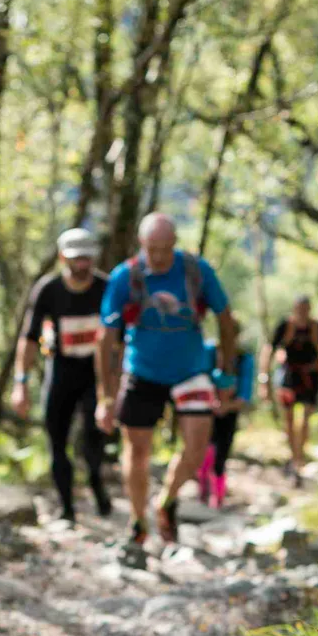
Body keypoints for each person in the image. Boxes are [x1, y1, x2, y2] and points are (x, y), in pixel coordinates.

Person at [95, 212, 238, 548]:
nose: (158, 257)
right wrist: (105, 396)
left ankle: (167, 499)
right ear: (142, 245)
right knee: (138, 449)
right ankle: (137, 519)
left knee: (197, 447)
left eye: (164, 249)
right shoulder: (125, 276)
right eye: (151, 249)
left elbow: (226, 319)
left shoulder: (195, 271)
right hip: (142, 371)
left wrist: (227, 373)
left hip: (191, 370)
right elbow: (106, 338)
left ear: (174, 244)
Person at [12, 228, 110, 522]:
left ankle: (96, 480)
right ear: (63, 258)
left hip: (96, 372)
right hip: (61, 371)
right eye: (76, 259)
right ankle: (67, 508)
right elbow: (29, 338)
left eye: (87, 259)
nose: (82, 265)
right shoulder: (49, 290)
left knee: (94, 437)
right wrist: (21, 384)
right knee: (57, 440)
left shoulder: (106, 288)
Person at [269, 296, 318, 488]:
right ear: (294, 308)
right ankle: (293, 457)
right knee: (289, 419)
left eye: (306, 308)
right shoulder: (285, 326)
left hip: (310, 377)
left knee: (306, 419)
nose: (303, 312)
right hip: (289, 377)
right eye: (300, 308)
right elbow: (271, 349)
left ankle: (299, 456)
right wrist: (264, 378)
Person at [196, 323, 255, 509]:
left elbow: (245, 393)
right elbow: (200, 377)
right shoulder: (209, 352)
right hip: (207, 408)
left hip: (229, 411)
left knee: (222, 453)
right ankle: (202, 491)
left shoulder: (245, 359)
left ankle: (218, 498)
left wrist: (227, 405)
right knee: (205, 450)